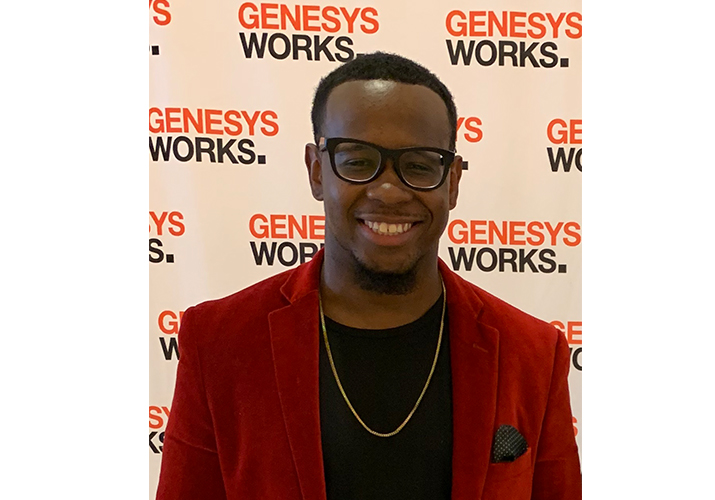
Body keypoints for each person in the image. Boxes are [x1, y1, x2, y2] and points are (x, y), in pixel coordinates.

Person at [156, 52, 581, 500]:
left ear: (452, 181)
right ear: (317, 170)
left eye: (419, 165)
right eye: (358, 161)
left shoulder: (532, 354)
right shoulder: (220, 342)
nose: (389, 190)